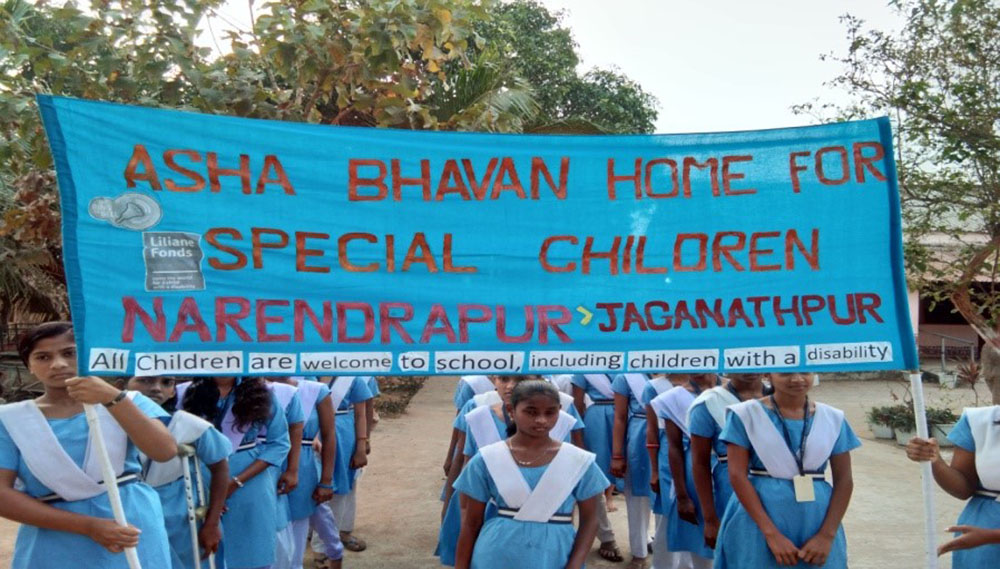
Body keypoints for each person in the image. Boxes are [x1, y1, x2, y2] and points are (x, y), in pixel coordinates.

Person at [0, 321, 176, 568]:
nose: (58, 364)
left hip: (128, 522)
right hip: (55, 532)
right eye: (43, 357)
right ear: (29, 365)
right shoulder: (10, 419)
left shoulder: (129, 401)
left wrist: (111, 398)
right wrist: (88, 526)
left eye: (70, 353)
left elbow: (164, 451)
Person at [453, 380, 609, 569]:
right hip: (495, 554)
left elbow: (590, 520)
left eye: (550, 412)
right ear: (511, 411)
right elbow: (471, 522)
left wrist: (575, 564)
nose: (541, 420)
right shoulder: (488, 458)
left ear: (560, 411)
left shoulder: (578, 461)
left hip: (555, 554)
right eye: (531, 412)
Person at [715, 372, 859, 568]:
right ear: (768, 374)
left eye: (804, 372)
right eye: (785, 373)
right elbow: (737, 475)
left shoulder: (832, 418)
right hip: (759, 519)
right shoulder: (746, 415)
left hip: (816, 519)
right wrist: (771, 535)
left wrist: (827, 534)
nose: (797, 379)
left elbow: (844, 479)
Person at [178, 377, 291, 569]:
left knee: (251, 550)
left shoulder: (263, 394)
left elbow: (280, 443)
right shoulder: (186, 392)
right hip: (200, 477)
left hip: (249, 481)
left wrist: (235, 483)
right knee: (202, 551)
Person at [129, 375, 231, 569]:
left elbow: (220, 469)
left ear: (173, 390)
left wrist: (212, 523)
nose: (156, 388)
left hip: (180, 517)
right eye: (146, 380)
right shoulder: (106, 424)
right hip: (131, 512)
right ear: (122, 386)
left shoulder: (190, 425)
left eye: (166, 382)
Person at [906, 402, 1000, 567]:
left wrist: (990, 536)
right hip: (982, 528)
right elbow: (963, 488)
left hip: (983, 536)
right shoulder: (978, 421)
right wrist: (935, 460)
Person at [688, 374, 764, 552]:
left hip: (780, 489)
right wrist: (710, 519)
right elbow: (700, 463)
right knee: (741, 551)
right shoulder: (709, 403)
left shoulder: (782, 396)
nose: (750, 366)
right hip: (731, 491)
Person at [650, 373, 719, 569]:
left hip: (732, 469)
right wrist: (681, 495)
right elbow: (674, 447)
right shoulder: (673, 398)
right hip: (695, 471)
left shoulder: (731, 390)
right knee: (702, 540)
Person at [270, 377, 334, 569]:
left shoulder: (315, 390)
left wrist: (326, 481)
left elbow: (329, 434)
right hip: (263, 465)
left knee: (297, 532)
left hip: (302, 466)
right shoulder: (249, 385)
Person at [310, 376, 371, 556]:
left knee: (337, 492)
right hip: (310, 434)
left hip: (342, 437)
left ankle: (323, 549)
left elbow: (361, 414)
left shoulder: (351, 376)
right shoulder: (306, 373)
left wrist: (361, 445)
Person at [571, 373, 623, 562]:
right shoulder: (584, 367)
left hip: (625, 417)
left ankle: (641, 537)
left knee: (605, 477)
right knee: (592, 478)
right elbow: (577, 405)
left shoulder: (627, 362)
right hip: (595, 420)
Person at [611, 373, 654, 569]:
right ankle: (639, 551)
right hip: (639, 436)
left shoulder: (682, 369)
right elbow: (619, 417)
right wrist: (617, 454)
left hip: (673, 434)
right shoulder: (627, 376)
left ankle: (665, 549)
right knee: (636, 497)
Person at [642, 374, 679, 569]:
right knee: (667, 513)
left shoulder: (713, 382)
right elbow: (652, 430)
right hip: (668, 453)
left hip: (704, 453)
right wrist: (655, 470)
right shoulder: (654, 387)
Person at [266, 379, 305, 569]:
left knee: (275, 526)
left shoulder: (284, 393)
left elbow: (295, 429)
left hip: (268, 470)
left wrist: (292, 469)